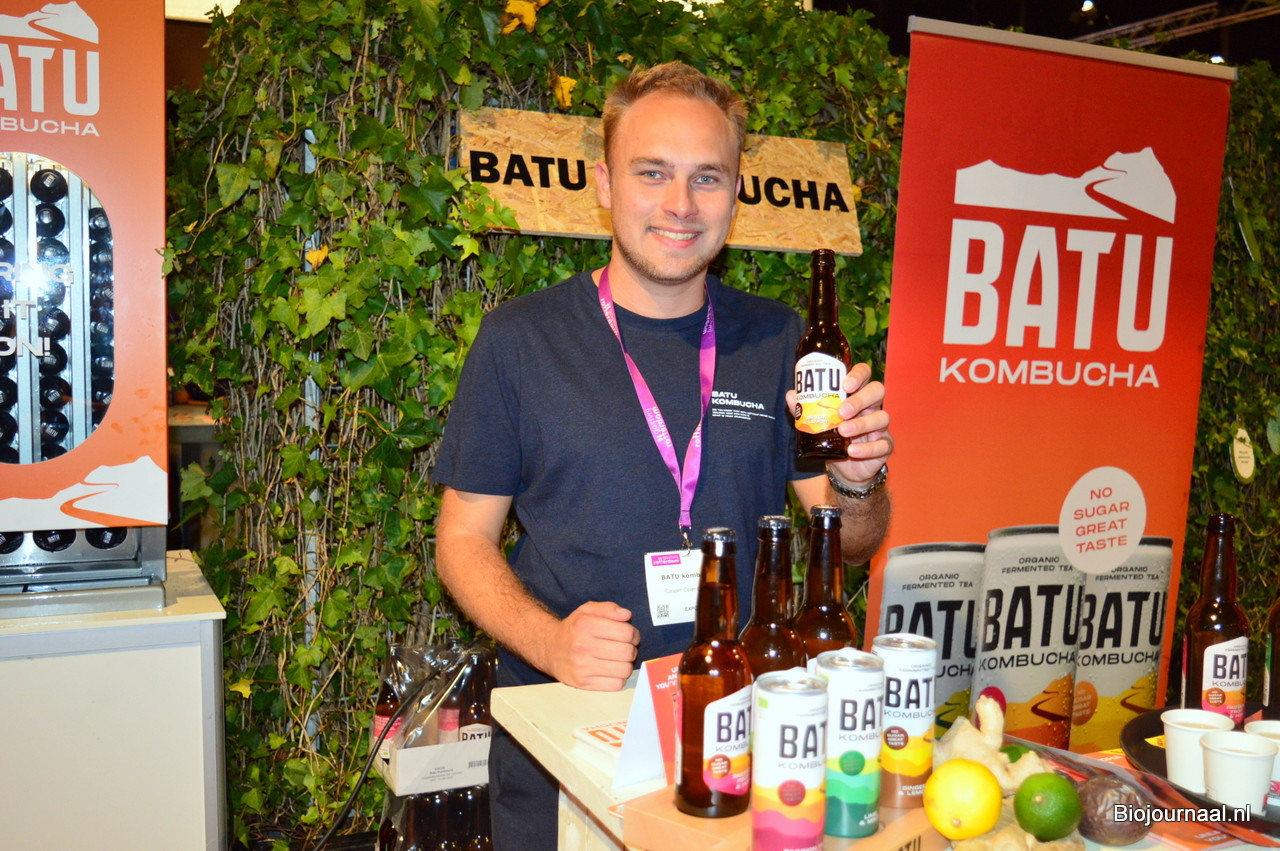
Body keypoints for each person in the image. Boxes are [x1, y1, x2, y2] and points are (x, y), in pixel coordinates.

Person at [432, 61, 893, 848]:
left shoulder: (779, 339)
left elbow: (848, 542)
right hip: (569, 740)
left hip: (741, 738)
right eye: (653, 172)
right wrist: (551, 641)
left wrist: (857, 484)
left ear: (736, 195)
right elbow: (461, 539)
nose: (681, 204)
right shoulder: (521, 340)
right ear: (605, 184)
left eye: (707, 178)